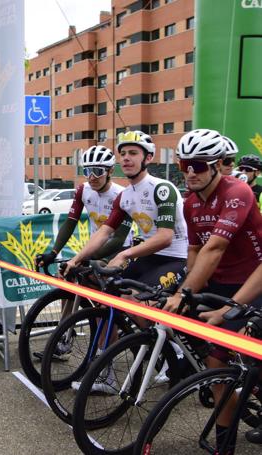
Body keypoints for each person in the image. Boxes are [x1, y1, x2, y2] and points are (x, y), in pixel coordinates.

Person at [64, 130, 188, 392]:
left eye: (133, 153)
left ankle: (174, 352)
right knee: (108, 299)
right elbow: (105, 232)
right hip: (148, 256)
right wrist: (78, 258)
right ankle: (107, 376)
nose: (127, 158)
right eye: (123, 153)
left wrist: (124, 254)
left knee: (133, 302)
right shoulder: (126, 196)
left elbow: (165, 237)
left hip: (175, 257)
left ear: (148, 157)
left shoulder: (162, 189)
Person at [162, 129, 262, 453]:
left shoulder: (238, 191)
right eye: (184, 165)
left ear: (218, 165)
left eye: (199, 166)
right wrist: (183, 289)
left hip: (255, 279)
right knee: (215, 365)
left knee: (231, 357)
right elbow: (195, 252)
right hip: (221, 281)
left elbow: (216, 247)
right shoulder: (190, 203)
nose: (190, 172)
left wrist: (184, 293)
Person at [34, 145, 131, 360]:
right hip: (96, 247)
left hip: (120, 249)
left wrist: (86, 258)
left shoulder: (121, 195)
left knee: (103, 294)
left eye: (98, 170)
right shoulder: (83, 190)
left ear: (110, 172)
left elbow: (118, 238)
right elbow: (70, 223)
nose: (92, 177)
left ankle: (112, 338)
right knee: (69, 279)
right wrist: (54, 251)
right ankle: (64, 339)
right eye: (87, 171)